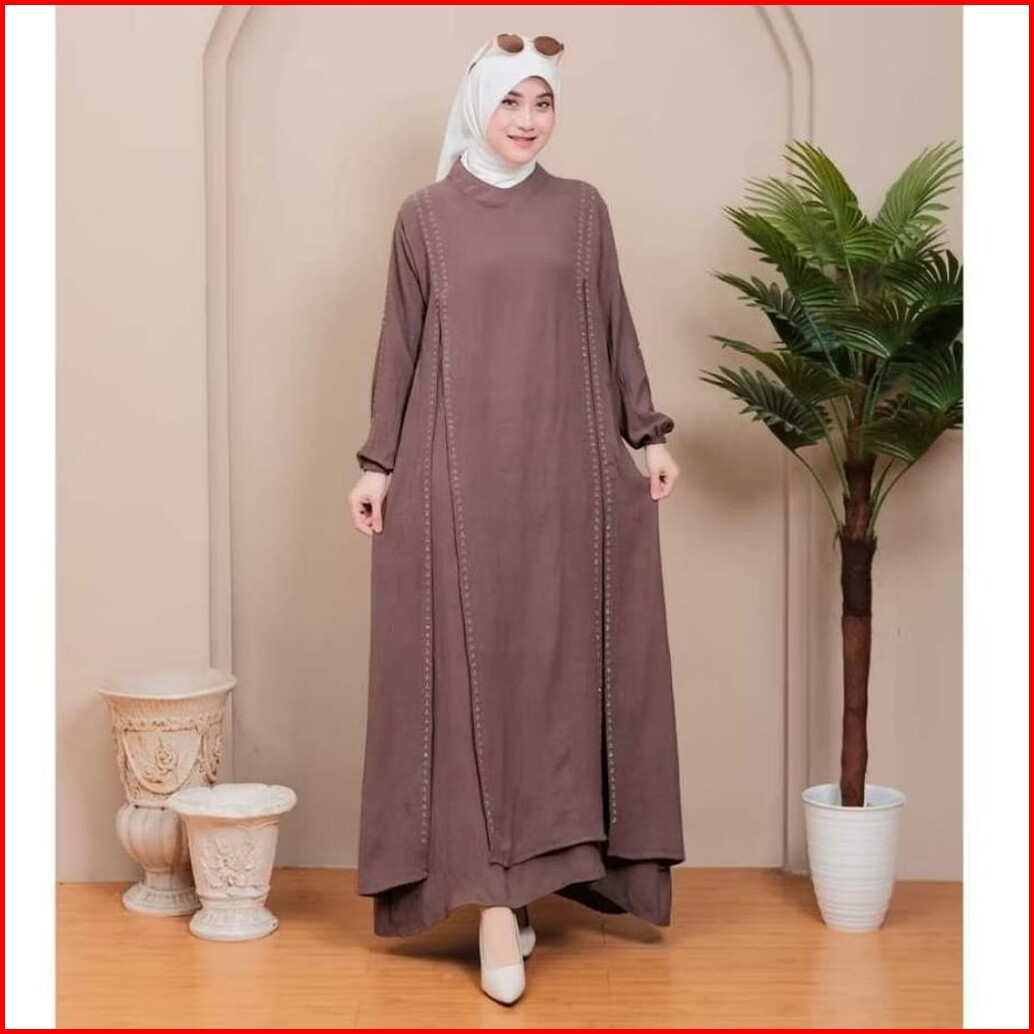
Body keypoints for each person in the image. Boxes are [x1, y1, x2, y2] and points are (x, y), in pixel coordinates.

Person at [348, 33, 685, 1006]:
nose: (529, 120)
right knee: (470, 686)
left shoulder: (582, 212)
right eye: (511, 101)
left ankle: (524, 878)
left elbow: (614, 326)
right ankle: (494, 902)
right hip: (453, 481)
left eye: (543, 102)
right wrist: (376, 464)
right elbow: (399, 347)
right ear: (477, 106)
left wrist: (647, 434)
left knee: (549, 683)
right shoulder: (424, 218)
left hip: (563, 485)